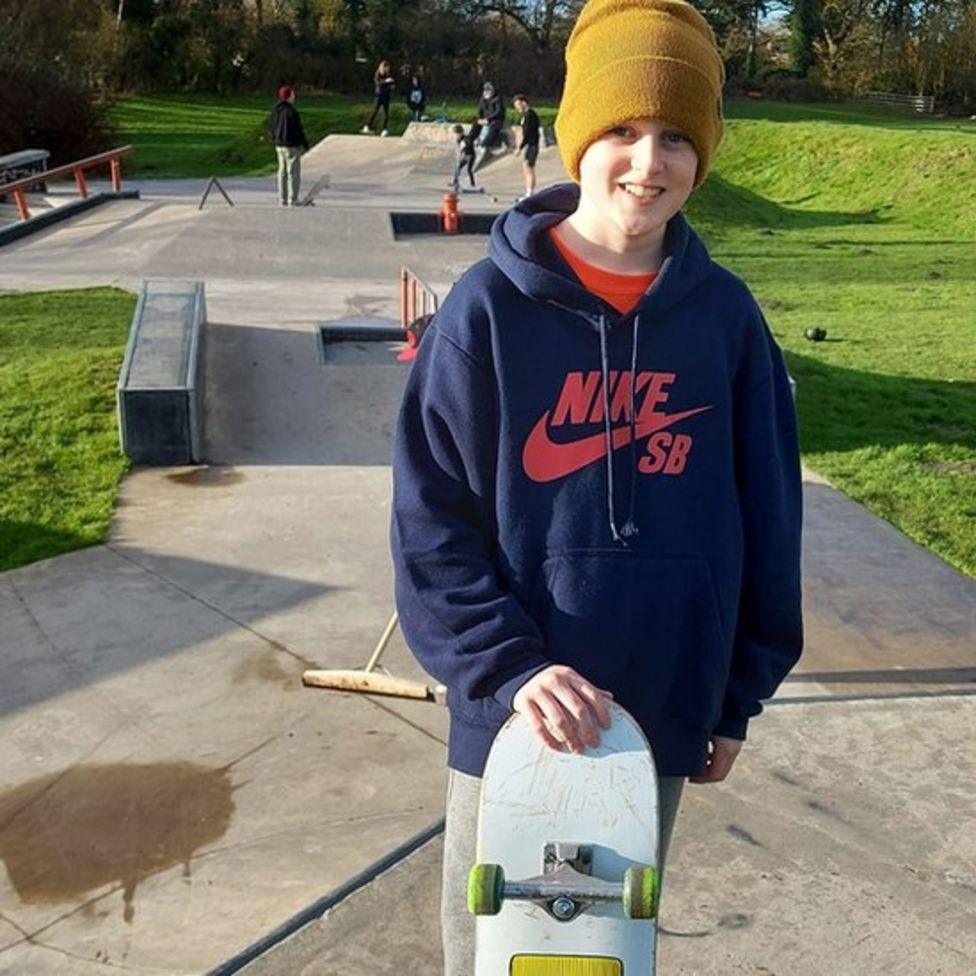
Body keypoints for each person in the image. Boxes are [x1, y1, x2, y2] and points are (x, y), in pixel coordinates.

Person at [390, 1, 803, 973]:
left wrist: (735, 695)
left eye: (674, 137)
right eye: (620, 130)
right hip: (515, 716)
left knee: (606, 950)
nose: (646, 162)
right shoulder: (485, 315)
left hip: (655, 710)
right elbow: (429, 523)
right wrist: (508, 667)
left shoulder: (725, 322)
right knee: (495, 946)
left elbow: (768, 517)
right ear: (578, 136)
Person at [270, 85, 309, 207]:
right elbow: (298, 130)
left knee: (282, 172)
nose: (294, 96)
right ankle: (293, 199)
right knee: (293, 173)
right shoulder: (292, 112)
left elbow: (271, 126)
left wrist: (275, 138)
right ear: (288, 97)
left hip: (279, 145)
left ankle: (282, 198)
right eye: (292, 94)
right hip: (291, 145)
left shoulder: (275, 111)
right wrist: (305, 144)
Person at [513, 93, 540, 199]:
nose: (517, 108)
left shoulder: (530, 115)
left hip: (532, 145)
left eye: (518, 105)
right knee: (526, 168)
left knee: (529, 168)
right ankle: (528, 191)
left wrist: (519, 148)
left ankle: (530, 193)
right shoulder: (526, 116)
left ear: (524, 103)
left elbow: (528, 133)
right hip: (530, 145)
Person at [473, 80, 506, 167]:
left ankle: (485, 144)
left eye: (489, 91)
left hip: (496, 120)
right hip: (485, 119)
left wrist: (488, 119)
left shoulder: (498, 99)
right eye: (486, 91)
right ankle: (472, 140)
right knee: (476, 125)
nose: (487, 93)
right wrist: (480, 119)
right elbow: (479, 110)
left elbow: (498, 112)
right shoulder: (483, 99)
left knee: (493, 128)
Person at [362, 60, 395, 136]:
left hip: (386, 96)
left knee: (386, 113)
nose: (387, 70)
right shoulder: (377, 75)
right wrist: (386, 81)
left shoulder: (388, 75)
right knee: (375, 111)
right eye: (386, 68)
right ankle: (367, 126)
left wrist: (391, 87)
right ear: (383, 67)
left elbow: (390, 84)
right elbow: (378, 84)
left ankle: (384, 129)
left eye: (388, 68)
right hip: (379, 95)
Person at [451, 124, 477, 191]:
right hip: (464, 156)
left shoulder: (467, 138)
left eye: (458, 134)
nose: (457, 135)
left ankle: (472, 184)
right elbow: (459, 148)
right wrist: (459, 153)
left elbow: (469, 145)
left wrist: (464, 146)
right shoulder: (458, 140)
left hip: (471, 156)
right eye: (456, 134)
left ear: (462, 132)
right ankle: (455, 181)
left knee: (469, 170)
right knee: (458, 167)